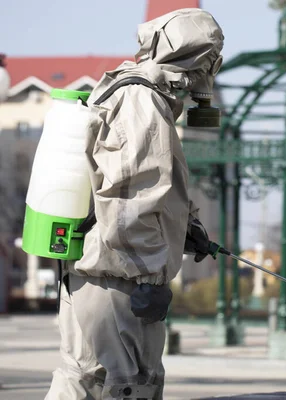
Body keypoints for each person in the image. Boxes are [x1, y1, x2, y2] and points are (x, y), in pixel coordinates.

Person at [46, 8, 224, 400]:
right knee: (130, 383)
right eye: (212, 60)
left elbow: (144, 184)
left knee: (82, 379)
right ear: (200, 57)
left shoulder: (126, 89)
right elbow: (133, 198)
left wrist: (186, 227)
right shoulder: (143, 100)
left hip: (94, 270)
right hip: (120, 278)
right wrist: (149, 278)